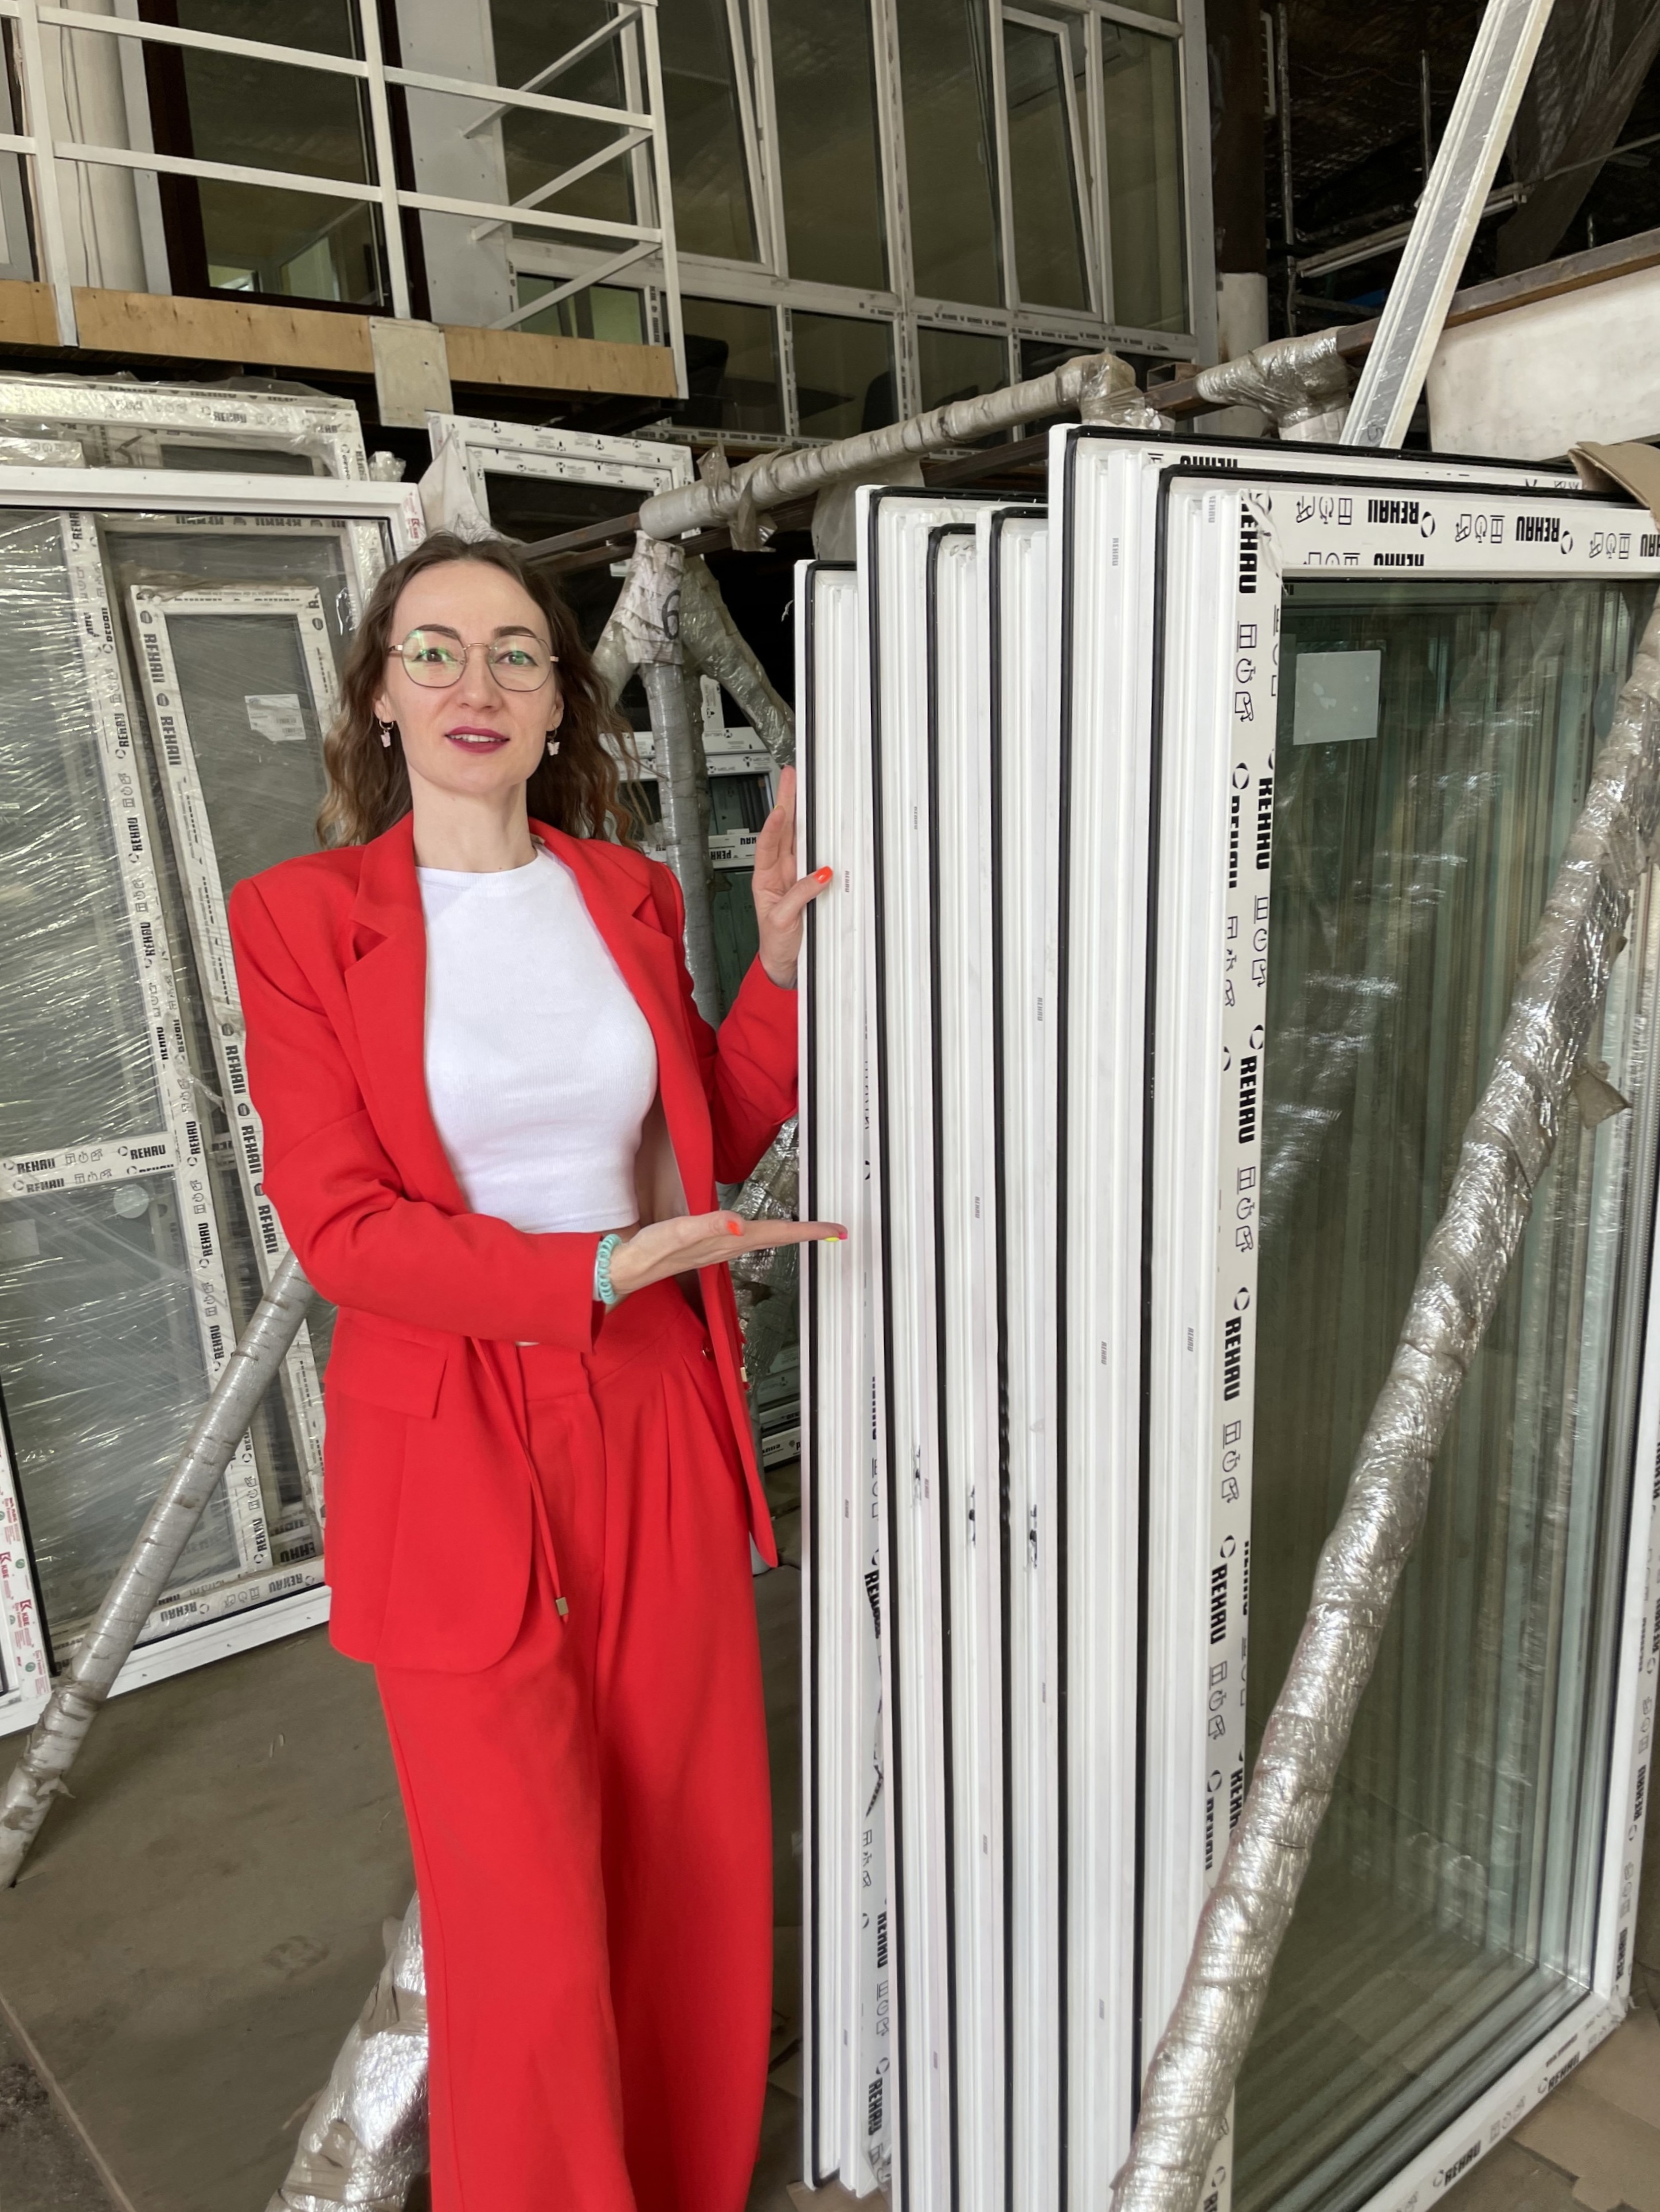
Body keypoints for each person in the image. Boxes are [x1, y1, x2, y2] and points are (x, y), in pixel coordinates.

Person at [228, 530, 841, 2212]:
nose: (476, 684)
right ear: (379, 691)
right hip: (454, 1432)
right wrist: (585, 1269)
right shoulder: (301, 922)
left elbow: (709, 1126)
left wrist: (779, 970)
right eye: (433, 650)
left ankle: (688, 2182)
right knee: (520, 1906)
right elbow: (343, 1226)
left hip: (652, 1400)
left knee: (692, 1847)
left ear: (563, 699)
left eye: (517, 652)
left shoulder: (624, 895)